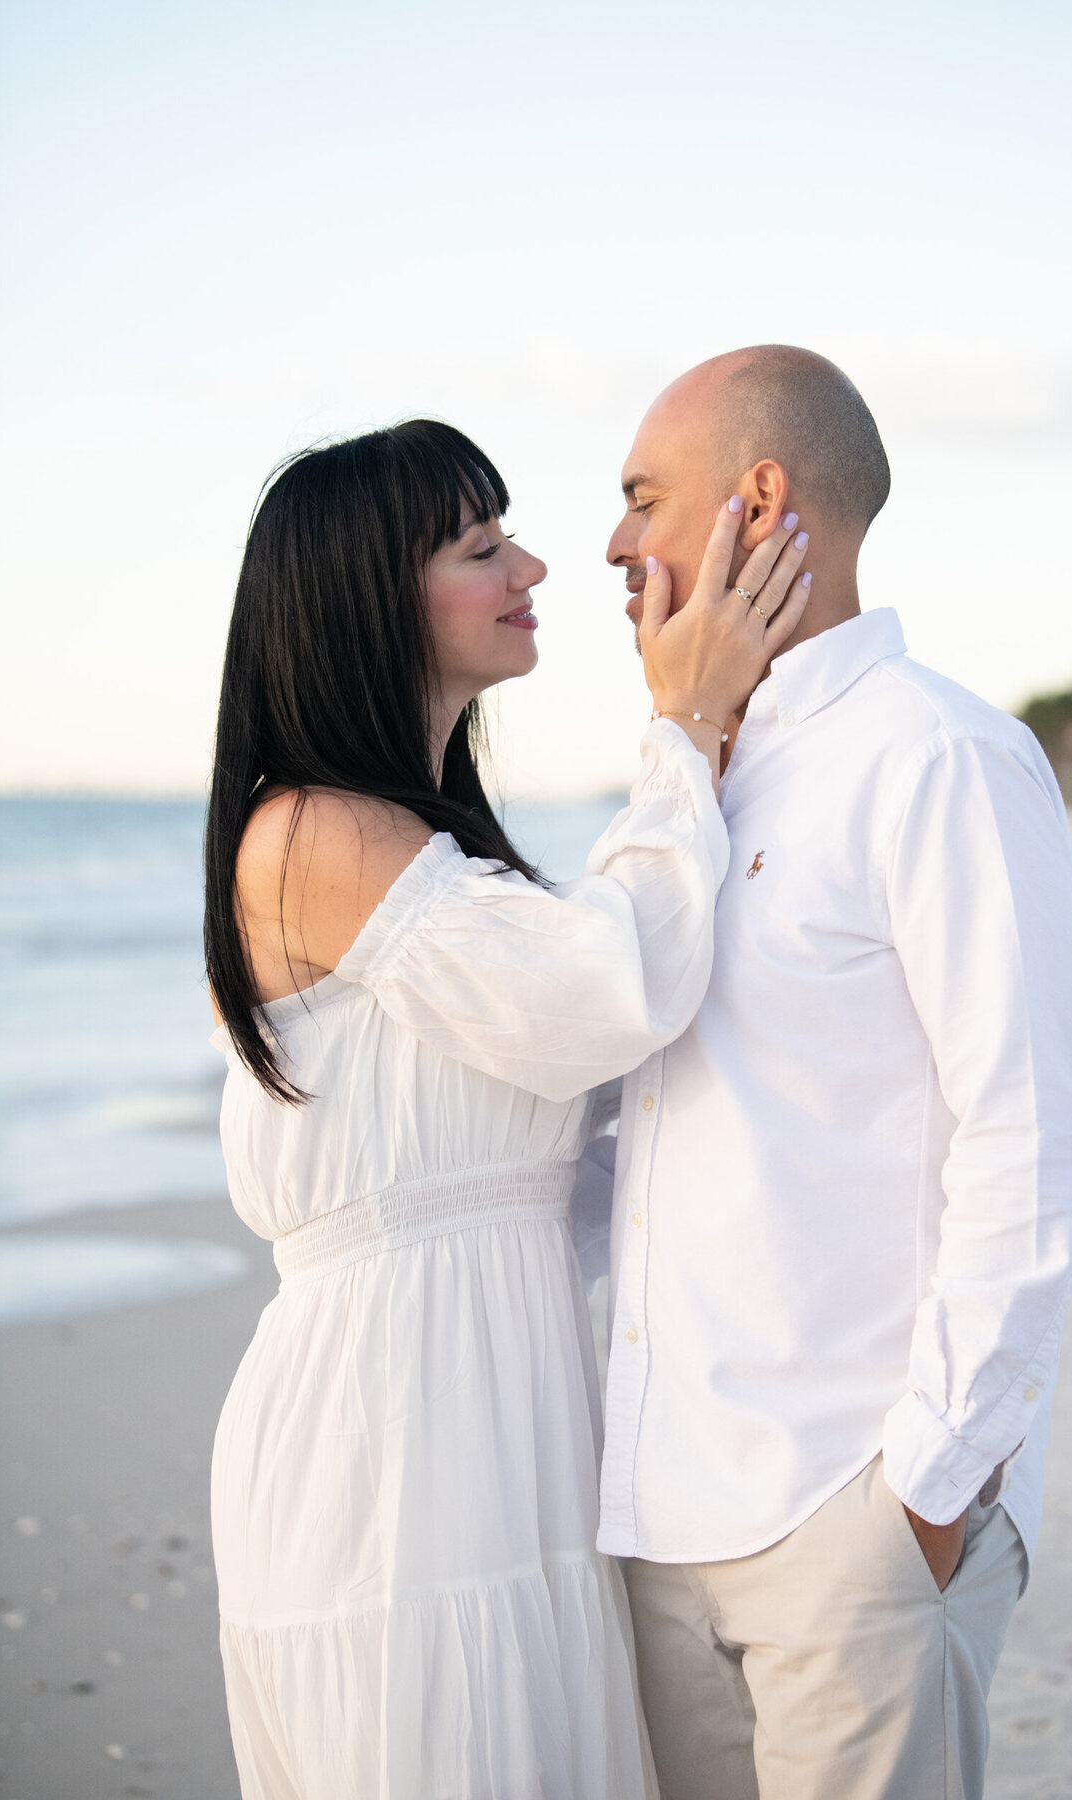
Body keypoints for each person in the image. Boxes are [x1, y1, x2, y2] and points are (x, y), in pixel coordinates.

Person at [202, 417, 811, 1799]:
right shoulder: (314, 831)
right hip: (393, 1434)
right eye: (482, 547)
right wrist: (684, 724)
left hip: (499, 1406)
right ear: (370, 600)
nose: (532, 567)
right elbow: (605, 993)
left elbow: (583, 1136)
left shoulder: (421, 842)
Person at [601, 346, 1072, 1800]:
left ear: (758, 503)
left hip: (851, 1516)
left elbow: (1030, 1135)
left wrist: (926, 1493)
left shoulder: (937, 754)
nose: (615, 544)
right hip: (660, 1519)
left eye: (643, 497)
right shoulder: (693, 775)